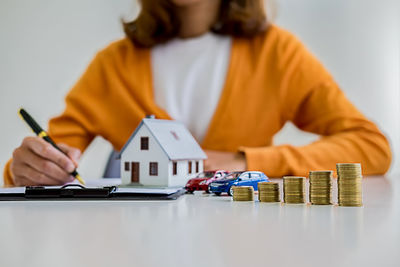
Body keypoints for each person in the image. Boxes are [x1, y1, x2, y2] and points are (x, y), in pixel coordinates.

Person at [4, 0, 391, 186]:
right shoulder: (113, 64)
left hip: (247, 249)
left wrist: (245, 161)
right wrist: (28, 169)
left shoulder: (278, 54)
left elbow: (372, 147)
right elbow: (45, 162)